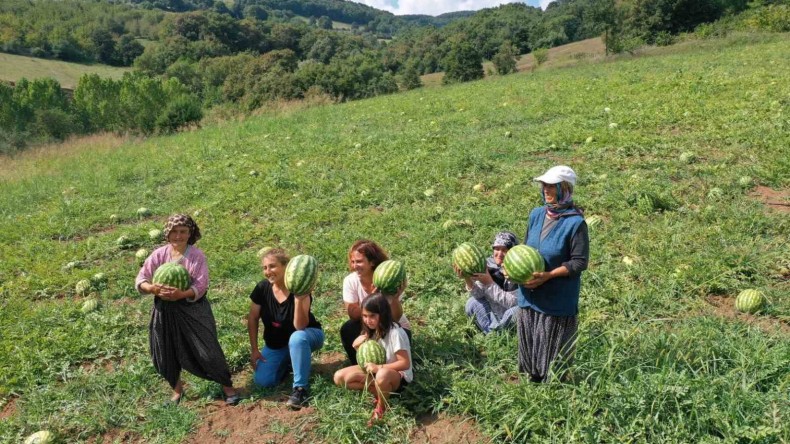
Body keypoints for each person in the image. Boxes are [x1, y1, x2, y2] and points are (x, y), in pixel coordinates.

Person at [135, 214, 239, 405]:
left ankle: (227, 387)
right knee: (165, 349)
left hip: (192, 310)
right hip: (164, 310)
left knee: (207, 349)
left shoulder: (196, 256)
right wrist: (152, 288)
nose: (178, 236)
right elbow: (141, 279)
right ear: (167, 233)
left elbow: (201, 285)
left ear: (190, 233)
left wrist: (181, 294)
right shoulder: (159, 255)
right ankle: (177, 390)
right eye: (174, 231)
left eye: (183, 232)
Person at [512, 165, 589, 383]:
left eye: (551, 185)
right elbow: (526, 248)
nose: (545, 189)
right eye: (544, 184)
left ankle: (555, 396)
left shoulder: (575, 223)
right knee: (531, 360)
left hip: (556, 301)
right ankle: (532, 391)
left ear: (564, 188)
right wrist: (512, 267)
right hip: (529, 296)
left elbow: (579, 262)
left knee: (552, 364)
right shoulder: (536, 214)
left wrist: (549, 275)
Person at [247, 248, 324, 410]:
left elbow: (300, 326)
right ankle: (290, 362)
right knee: (263, 381)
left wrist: (298, 299)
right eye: (265, 267)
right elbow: (253, 318)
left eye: (272, 266)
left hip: (308, 336)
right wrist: (254, 349)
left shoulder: (301, 289)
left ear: (286, 267)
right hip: (277, 344)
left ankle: (300, 389)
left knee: (297, 338)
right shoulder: (262, 288)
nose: (268, 271)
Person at [333, 294, 413, 425]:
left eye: (372, 316)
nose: (368, 320)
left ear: (383, 314)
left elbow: (405, 363)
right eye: (364, 316)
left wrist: (379, 368)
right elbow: (368, 360)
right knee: (339, 377)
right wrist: (357, 348)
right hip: (379, 373)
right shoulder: (371, 331)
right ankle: (380, 392)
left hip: (398, 377)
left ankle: (381, 407)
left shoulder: (395, 333)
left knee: (382, 375)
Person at [340, 239, 411, 365]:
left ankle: (392, 367)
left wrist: (394, 298)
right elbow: (353, 314)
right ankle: (359, 364)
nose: (354, 266)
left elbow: (395, 318)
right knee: (348, 328)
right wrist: (371, 298)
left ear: (372, 262)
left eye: (359, 261)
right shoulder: (350, 281)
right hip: (369, 326)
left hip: (393, 327)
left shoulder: (387, 280)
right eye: (353, 261)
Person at [455, 231, 519, 334]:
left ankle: (497, 333)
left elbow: (512, 303)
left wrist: (489, 283)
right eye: (497, 249)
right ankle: (495, 333)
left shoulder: (517, 271)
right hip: (493, 314)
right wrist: (467, 278)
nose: (499, 254)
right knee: (472, 303)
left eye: (504, 250)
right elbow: (478, 295)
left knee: (517, 311)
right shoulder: (487, 265)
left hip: (508, 316)